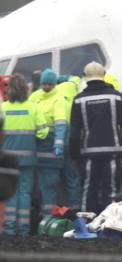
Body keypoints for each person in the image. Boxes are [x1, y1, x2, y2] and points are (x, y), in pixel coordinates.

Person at [70, 62, 122, 214]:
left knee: (88, 190)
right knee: (111, 190)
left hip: (89, 153)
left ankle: (88, 225)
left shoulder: (79, 100)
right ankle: (111, 227)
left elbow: (74, 131)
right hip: (114, 151)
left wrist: (74, 154)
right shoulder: (116, 97)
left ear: (85, 77)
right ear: (103, 75)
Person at [1, 75, 48, 235]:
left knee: (10, 193)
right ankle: (23, 229)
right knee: (25, 193)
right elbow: (43, 131)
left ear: (9, 90)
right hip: (28, 158)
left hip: (8, 160)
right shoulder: (33, 107)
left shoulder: (3, 108)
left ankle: (8, 229)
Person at [30, 68, 69, 216]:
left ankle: (48, 216)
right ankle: (45, 214)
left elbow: (61, 124)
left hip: (52, 149)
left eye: (49, 84)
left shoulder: (58, 100)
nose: (46, 87)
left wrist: (58, 144)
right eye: (44, 84)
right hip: (38, 149)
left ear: (54, 84)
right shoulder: (35, 97)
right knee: (42, 185)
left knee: (49, 185)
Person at [55, 74, 83, 210]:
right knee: (73, 179)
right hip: (71, 140)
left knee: (52, 182)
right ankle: (75, 210)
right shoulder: (71, 87)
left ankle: (56, 211)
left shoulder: (50, 95)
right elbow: (76, 78)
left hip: (54, 143)